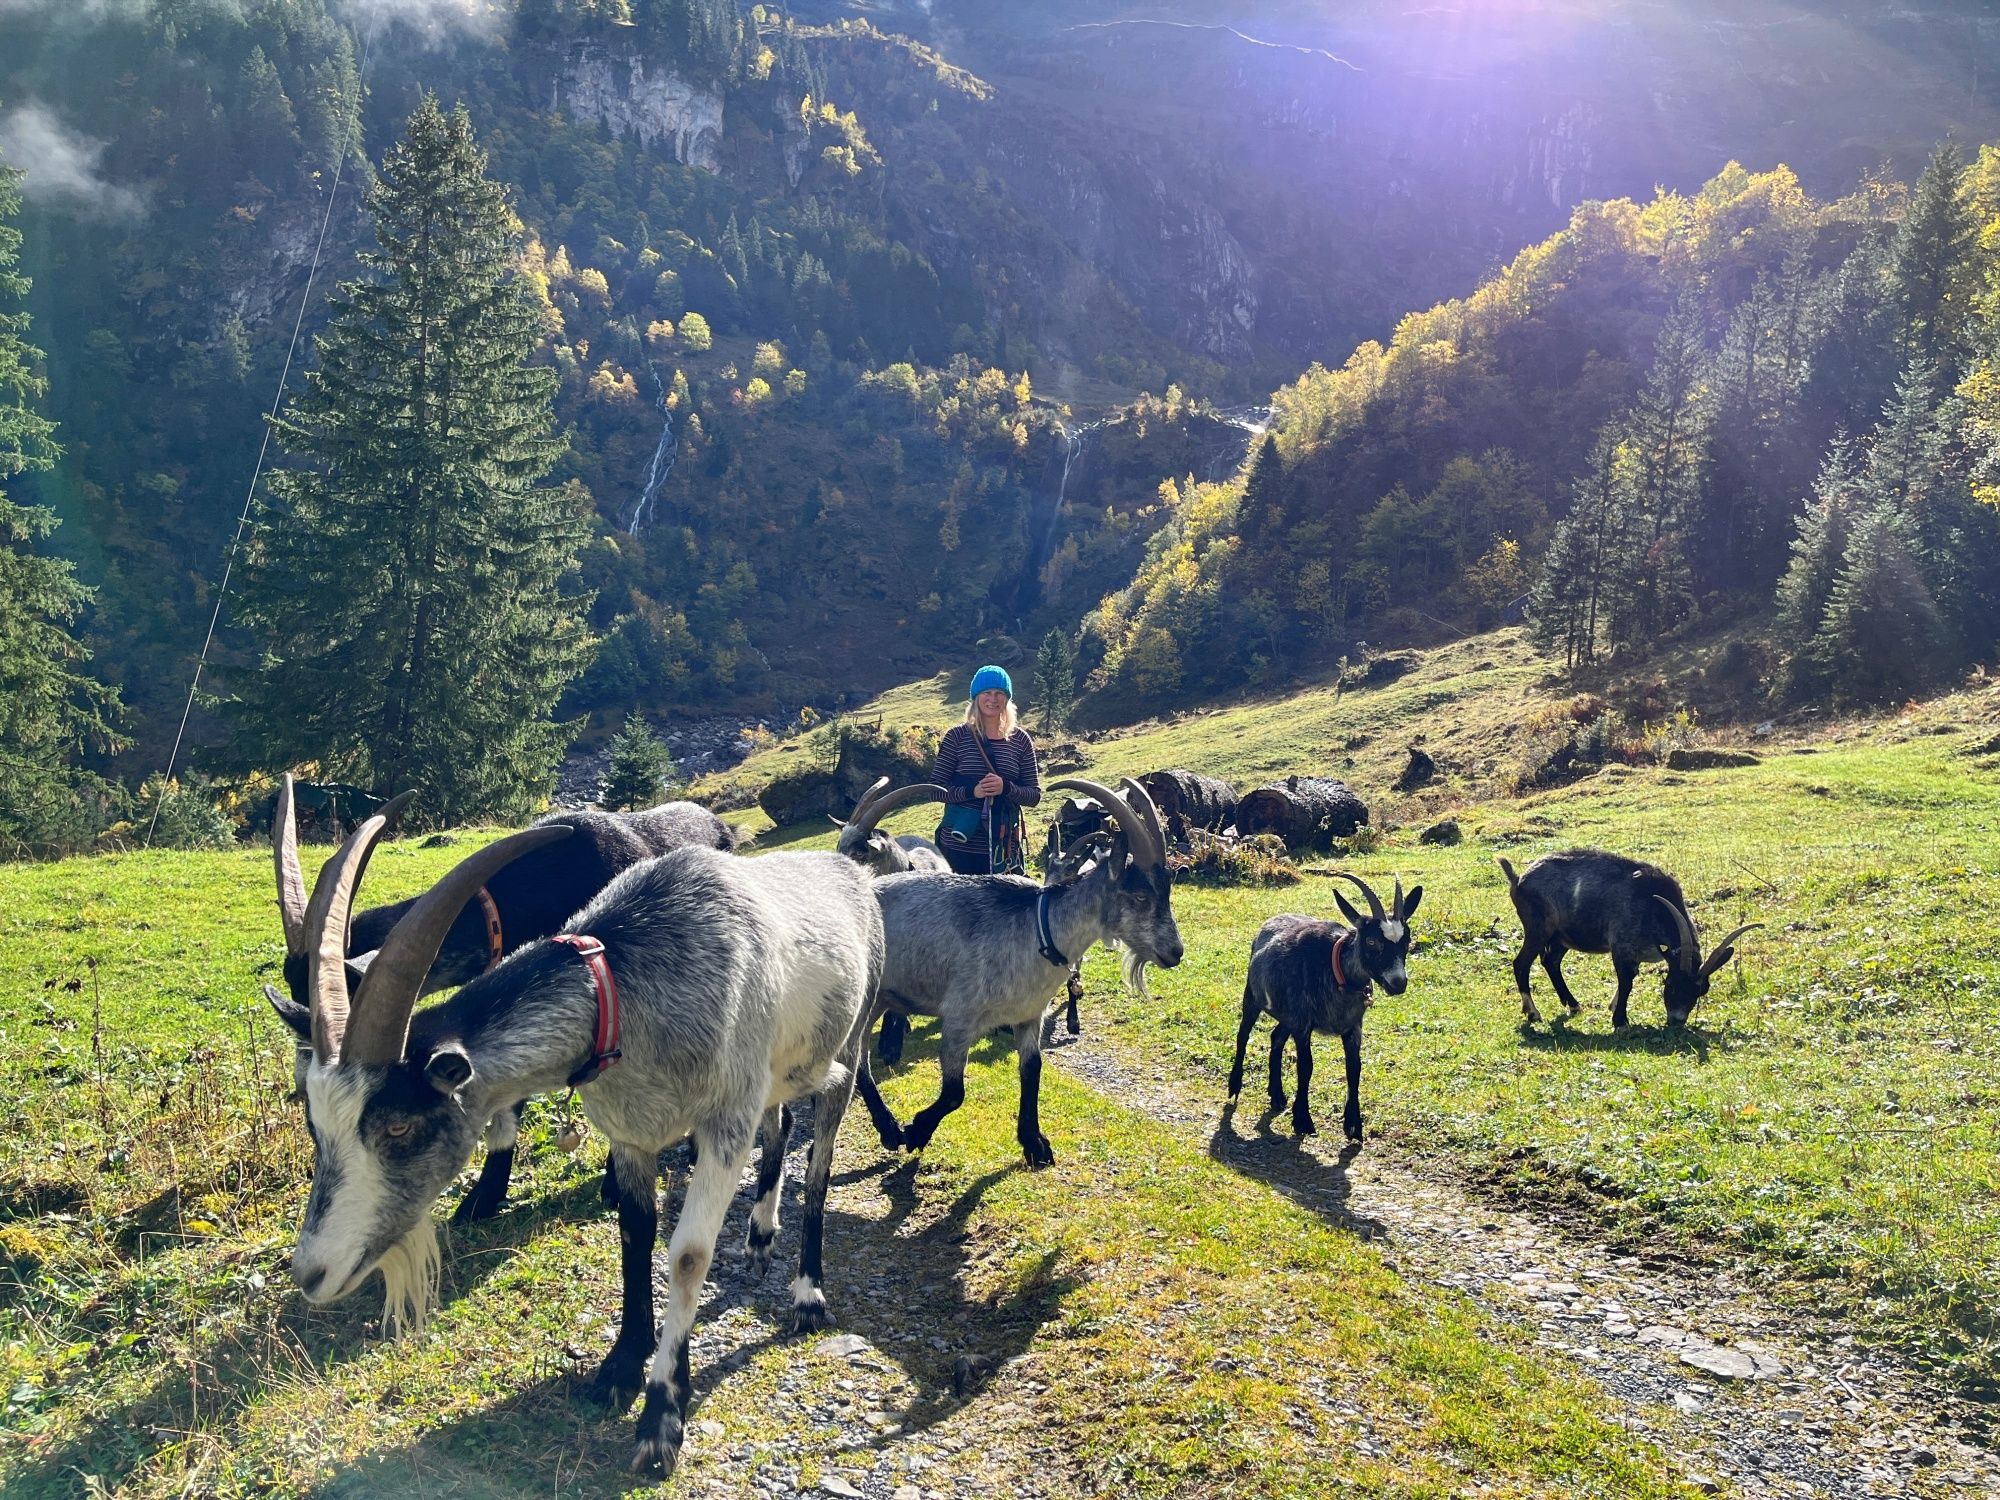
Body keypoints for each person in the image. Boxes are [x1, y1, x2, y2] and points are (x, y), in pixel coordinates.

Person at [932, 664, 1041, 875]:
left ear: (1007, 698)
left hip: (1004, 849)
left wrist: (1005, 788)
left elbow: (1034, 796)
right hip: (957, 849)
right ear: (976, 697)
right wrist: (972, 792)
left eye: (999, 693)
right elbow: (934, 790)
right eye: (986, 692)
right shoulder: (956, 737)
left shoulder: (1021, 740)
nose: (993, 699)